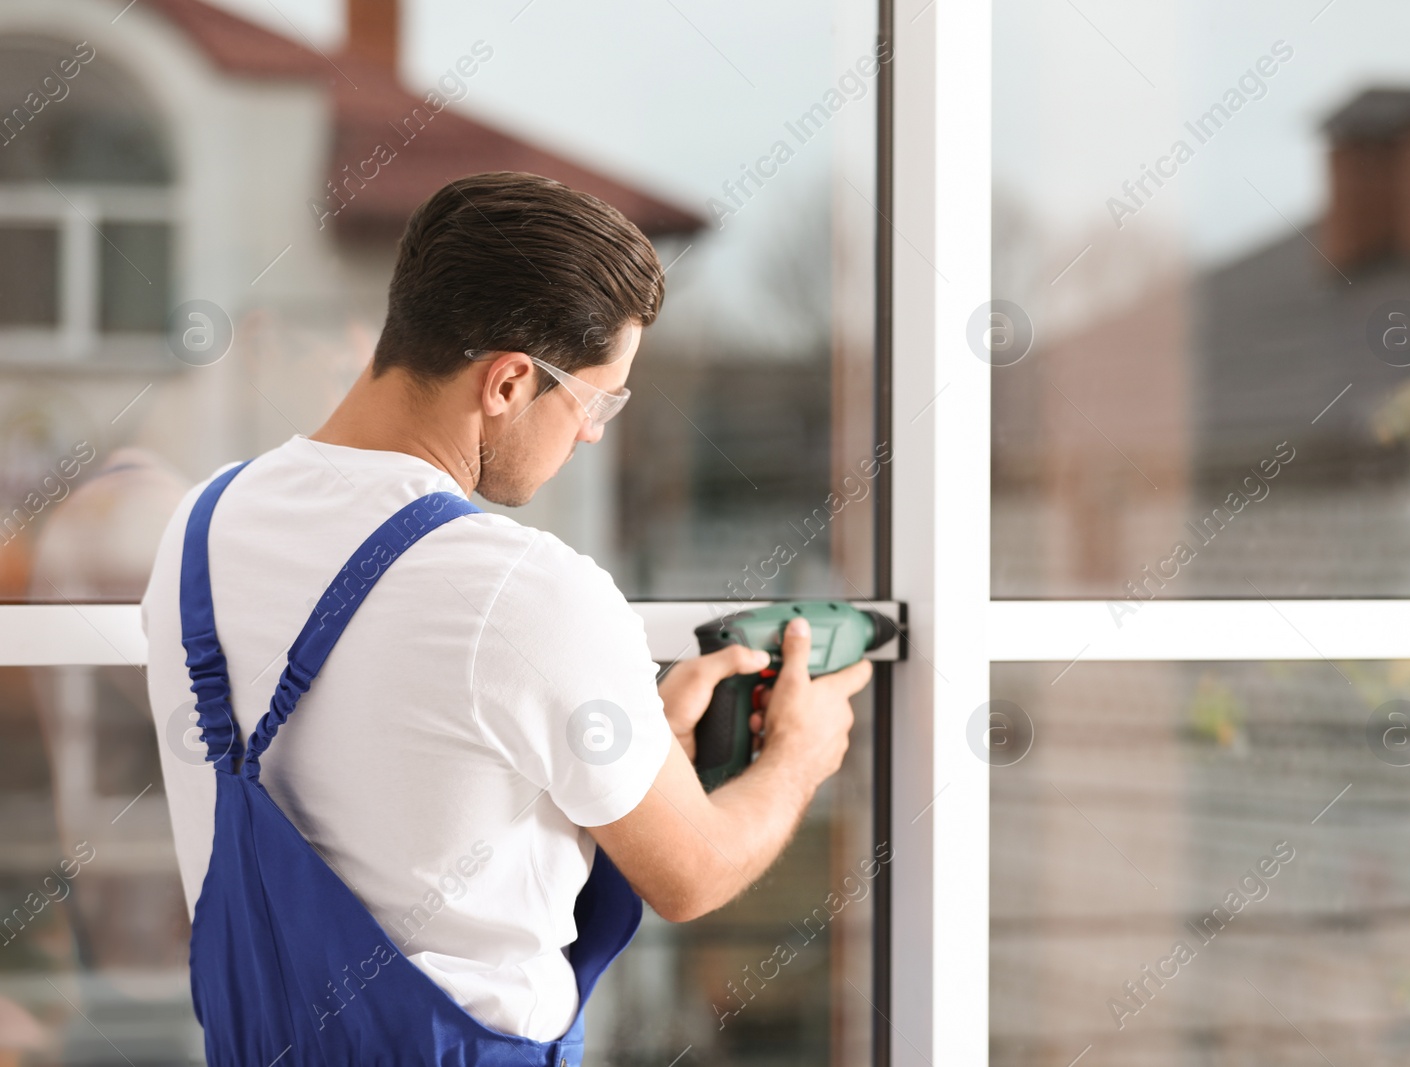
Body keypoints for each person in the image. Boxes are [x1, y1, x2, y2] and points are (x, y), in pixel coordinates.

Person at [140, 171, 872, 1065]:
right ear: (510, 383)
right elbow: (693, 871)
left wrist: (634, 740)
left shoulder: (203, 525)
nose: (594, 433)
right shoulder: (523, 587)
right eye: (596, 400)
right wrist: (801, 753)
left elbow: (401, 770)